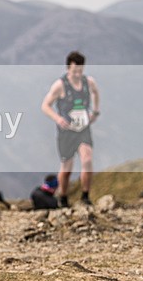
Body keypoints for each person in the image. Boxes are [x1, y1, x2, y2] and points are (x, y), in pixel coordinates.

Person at [41, 51, 100, 207]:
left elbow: (95, 93)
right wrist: (58, 118)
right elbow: (45, 106)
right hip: (67, 131)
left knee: (87, 159)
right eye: (74, 71)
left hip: (83, 128)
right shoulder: (60, 85)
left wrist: (95, 111)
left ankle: (85, 196)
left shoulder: (89, 82)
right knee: (67, 168)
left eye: (80, 71)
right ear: (68, 68)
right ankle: (63, 197)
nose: (77, 74)